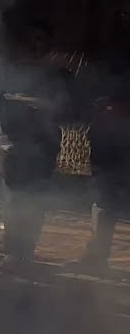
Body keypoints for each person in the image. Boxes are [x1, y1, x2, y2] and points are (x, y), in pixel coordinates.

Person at [0, 27, 73, 272]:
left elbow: (71, 110)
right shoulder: (4, 74)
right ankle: (11, 253)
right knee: (13, 199)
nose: (36, 50)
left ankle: (27, 254)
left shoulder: (58, 75)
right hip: (11, 144)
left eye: (41, 44)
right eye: (32, 44)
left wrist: (46, 105)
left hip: (45, 146)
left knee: (36, 201)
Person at [68, 51, 130, 275]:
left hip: (121, 146)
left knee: (106, 202)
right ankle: (96, 256)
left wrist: (118, 109)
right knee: (103, 201)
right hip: (105, 147)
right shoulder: (101, 74)